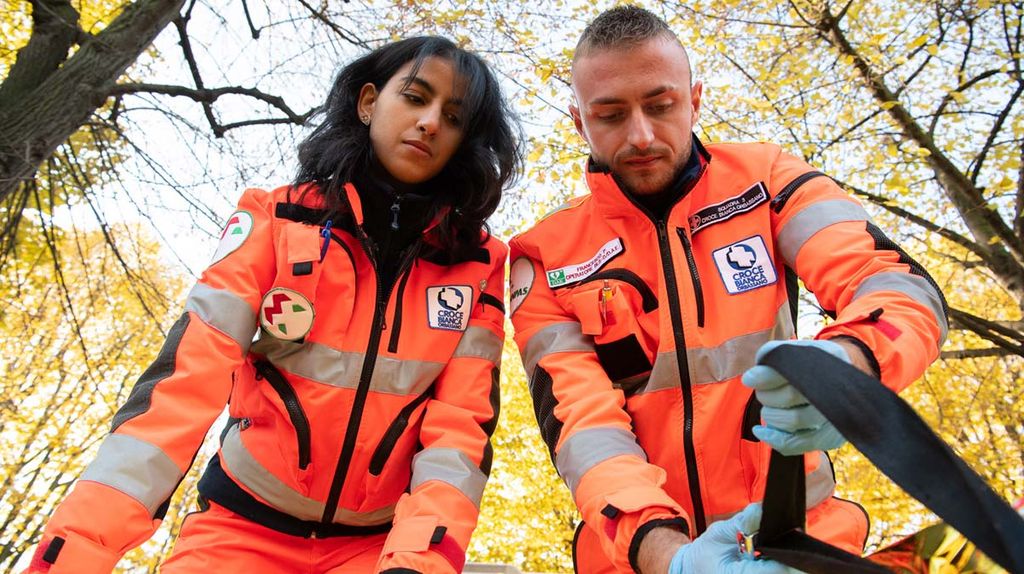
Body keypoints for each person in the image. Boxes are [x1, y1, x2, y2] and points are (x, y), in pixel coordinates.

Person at [26, 36, 521, 574]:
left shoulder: (479, 263)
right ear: (369, 102)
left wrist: (418, 561)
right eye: (416, 97)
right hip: (238, 530)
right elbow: (183, 388)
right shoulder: (275, 219)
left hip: (379, 547)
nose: (429, 123)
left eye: (453, 117)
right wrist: (75, 552)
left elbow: (459, 429)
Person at [508, 6, 946, 574]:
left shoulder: (770, 179)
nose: (640, 136)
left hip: (799, 542)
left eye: (661, 106)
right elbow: (582, 426)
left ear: (695, 100)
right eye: (610, 115)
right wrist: (668, 558)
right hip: (641, 558)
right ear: (578, 122)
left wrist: (845, 368)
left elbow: (894, 285)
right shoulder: (544, 255)